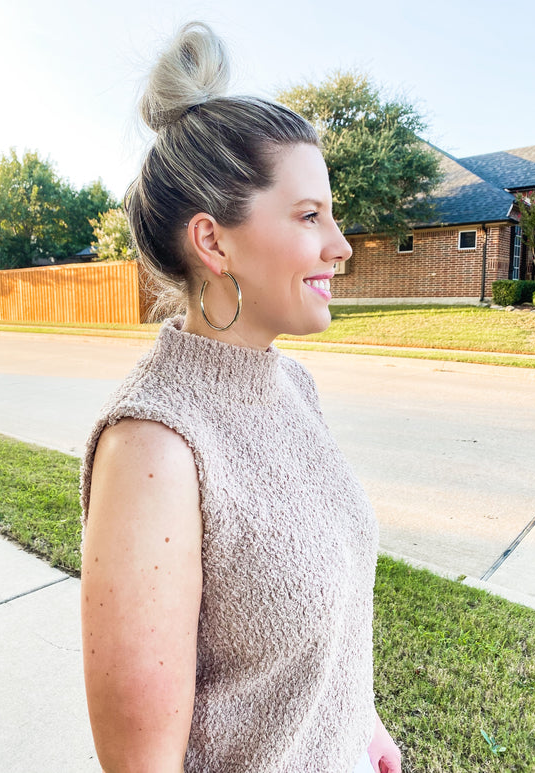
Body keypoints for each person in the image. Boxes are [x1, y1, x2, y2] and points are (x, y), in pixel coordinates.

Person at [80, 21, 402, 773]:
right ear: (214, 242)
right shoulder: (154, 448)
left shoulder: (292, 383)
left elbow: (327, 607)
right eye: (308, 215)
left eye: (331, 212)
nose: (341, 243)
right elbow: (142, 764)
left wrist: (359, 722)